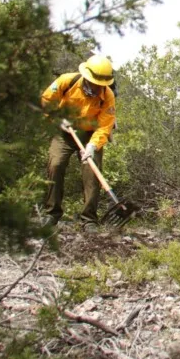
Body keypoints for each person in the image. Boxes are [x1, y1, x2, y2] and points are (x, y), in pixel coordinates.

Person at [40, 54, 117, 231]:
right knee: (56, 164)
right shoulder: (67, 81)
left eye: (101, 84)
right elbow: (46, 100)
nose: (97, 87)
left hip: (91, 135)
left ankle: (89, 219)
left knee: (92, 171)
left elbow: (105, 126)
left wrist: (92, 145)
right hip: (64, 132)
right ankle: (51, 214)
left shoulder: (108, 96)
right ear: (86, 77)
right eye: (95, 83)